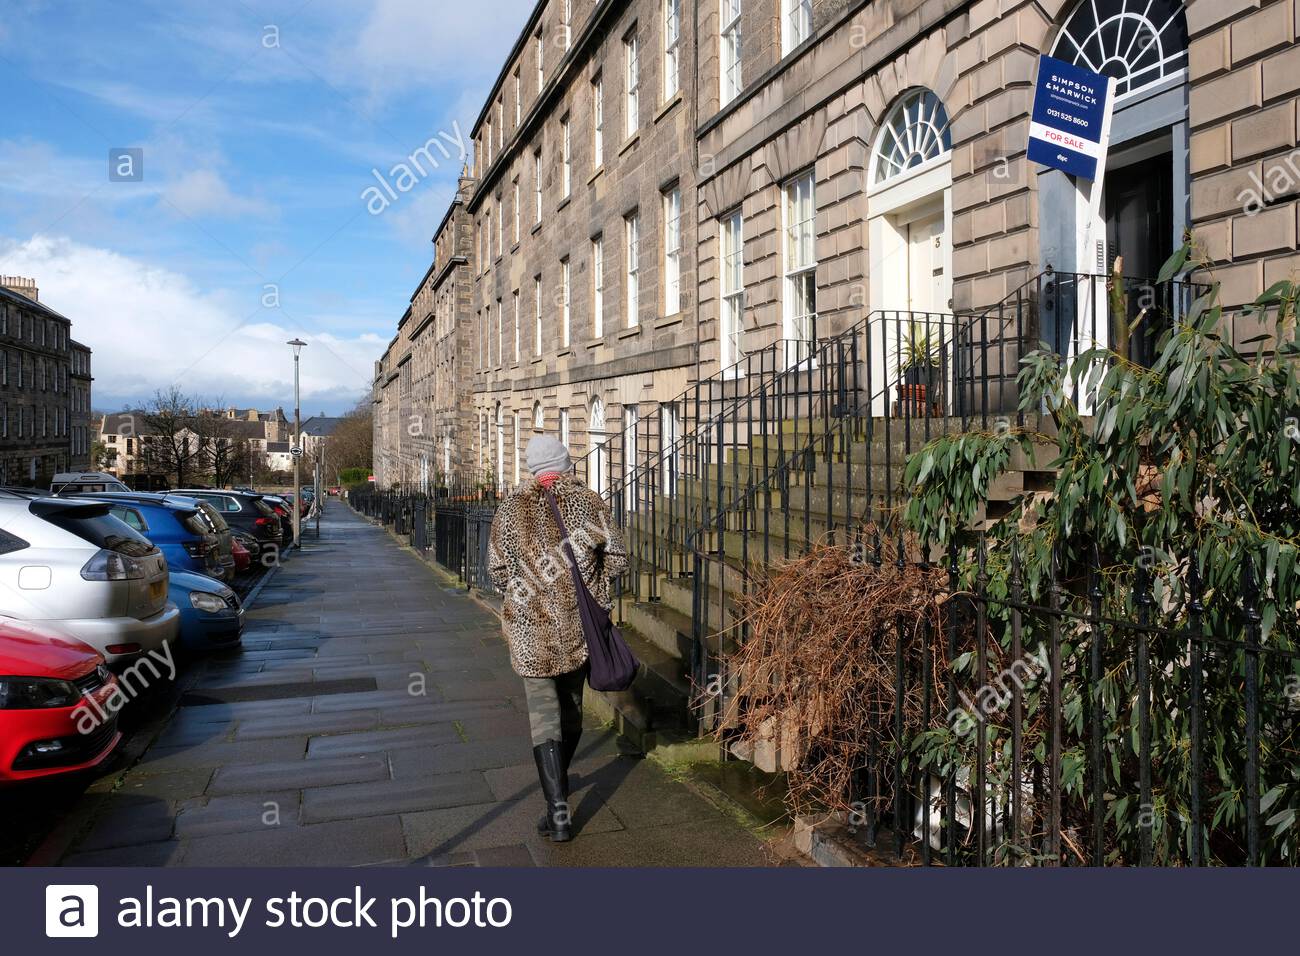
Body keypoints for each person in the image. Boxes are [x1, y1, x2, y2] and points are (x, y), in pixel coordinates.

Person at [487, 434, 628, 842]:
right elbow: (618, 560)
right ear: (566, 465)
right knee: (571, 711)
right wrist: (594, 585)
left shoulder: (510, 509)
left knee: (543, 717)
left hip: (531, 631)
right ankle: (560, 803)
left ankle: (559, 813)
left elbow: (497, 572)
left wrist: (523, 594)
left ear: (533, 471)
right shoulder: (588, 502)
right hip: (577, 628)